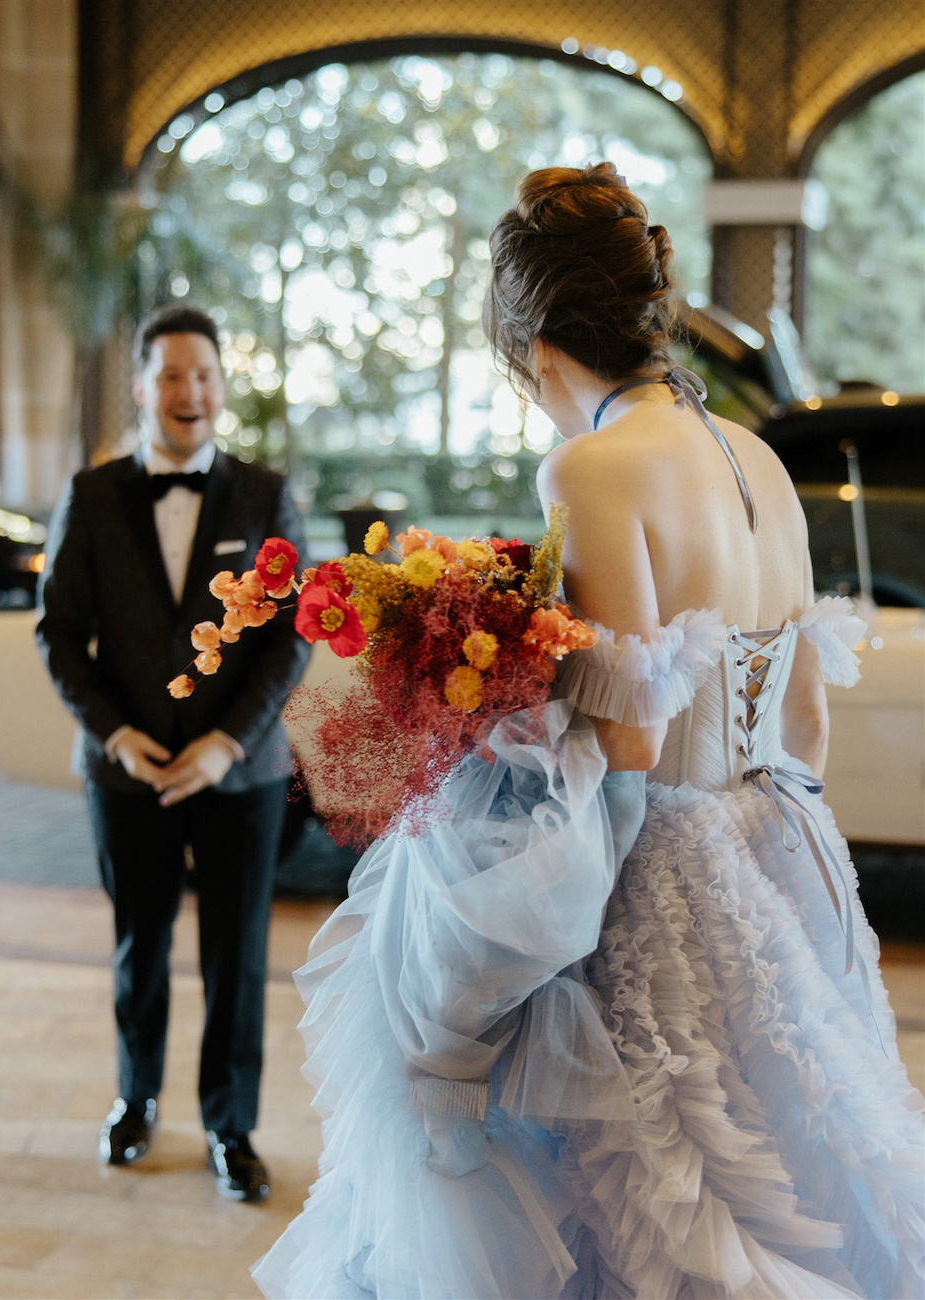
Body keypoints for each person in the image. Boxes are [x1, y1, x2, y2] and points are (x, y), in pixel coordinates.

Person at [252, 165, 923, 1296]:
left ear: (537, 346)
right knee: (796, 1154)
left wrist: (485, 713)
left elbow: (627, 745)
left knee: (628, 1194)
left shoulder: (588, 463)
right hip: (781, 850)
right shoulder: (758, 458)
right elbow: (803, 714)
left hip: (650, 869)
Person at [37, 304, 310, 1201]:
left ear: (221, 387)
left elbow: (289, 640)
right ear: (141, 385)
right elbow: (59, 634)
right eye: (170, 375)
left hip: (242, 772)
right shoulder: (92, 493)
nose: (188, 391)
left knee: (237, 955)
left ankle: (232, 1130)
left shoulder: (267, 494)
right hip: (128, 770)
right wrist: (115, 734)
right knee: (137, 944)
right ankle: (135, 1100)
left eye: (203, 374)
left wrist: (231, 744)